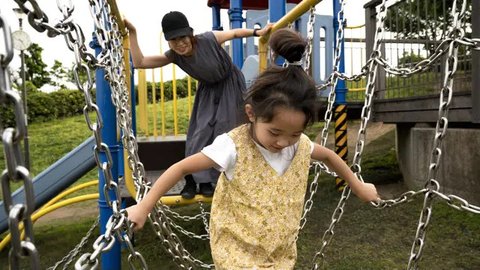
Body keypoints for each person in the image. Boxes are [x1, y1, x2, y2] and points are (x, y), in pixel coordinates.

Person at [126, 28, 380, 269]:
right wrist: (144, 206)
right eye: (274, 132)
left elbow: (328, 156)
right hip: (236, 250)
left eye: (295, 133)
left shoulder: (298, 146)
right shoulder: (233, 146)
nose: (282, 142)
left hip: (279, 252)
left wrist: (358, 186)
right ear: (251, 114)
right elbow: (180, 168)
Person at [124, 12, 273, 199]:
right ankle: (193, 180)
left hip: (230, 86)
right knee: (199, 132)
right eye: (173, 40)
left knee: (227, 130)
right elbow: (140, 62)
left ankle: (214, 181)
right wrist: (132, 32)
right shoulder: (174, 56)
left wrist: (258, 32)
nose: (179, 43)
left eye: (182, 37)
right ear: (168, 42)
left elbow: (234, 33)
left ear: (190, 34)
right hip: (207, 91)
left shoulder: (208, 39)